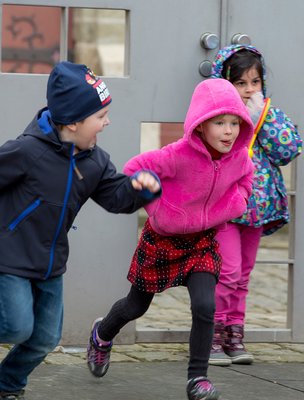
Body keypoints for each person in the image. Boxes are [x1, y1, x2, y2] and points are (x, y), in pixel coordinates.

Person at [0, 61, 162, 400]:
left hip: (50, 262)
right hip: (10, 254)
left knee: (44, 337)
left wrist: (140, 189)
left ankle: (6, 387)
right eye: (100, 117)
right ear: (73, 121)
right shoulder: (26, 152)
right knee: (16, 326)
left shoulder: (95, 161)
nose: (107, 122)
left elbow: (116, 198)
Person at [86, 78, 255, 400]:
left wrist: (238, 202)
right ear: (201, 125)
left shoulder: (239, 158)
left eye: (234, 123)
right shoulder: (176, 155)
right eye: (220, 123)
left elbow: (247, 178)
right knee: (135, 306)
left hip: (202, 243)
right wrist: (158, 208)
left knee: (205, 305)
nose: (229, 131)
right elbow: (136, 168)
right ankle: (103, 333)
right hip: (163, 241)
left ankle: (197, 379)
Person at [209, 44, 302, 366]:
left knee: (244, 274)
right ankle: (213, 335)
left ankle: (235, 334)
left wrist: (262, 119)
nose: (249, 90)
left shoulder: (268, 113)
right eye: (241, 83)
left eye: (255, 82)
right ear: (225, 82)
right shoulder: (218, 116)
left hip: (257, 208)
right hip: (225, 207)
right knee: (229, 271)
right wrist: (238, 122)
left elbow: (287, 151)